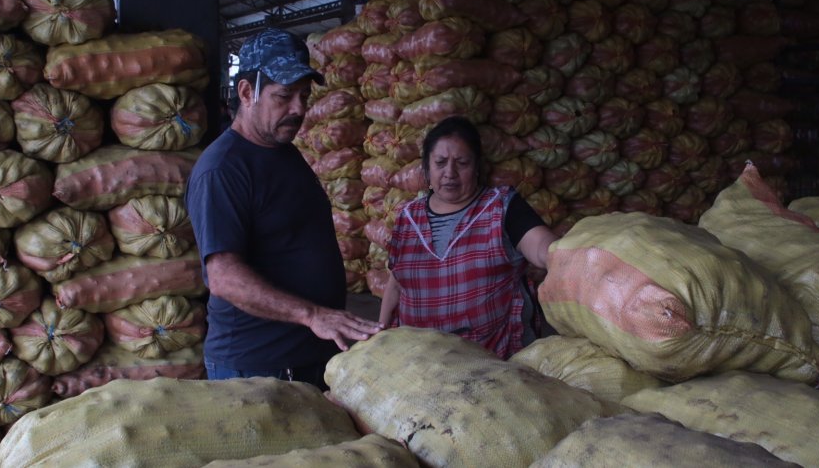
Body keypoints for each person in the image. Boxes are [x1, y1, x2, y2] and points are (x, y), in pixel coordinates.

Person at [186, 28, 382, 389]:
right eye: (284, 95)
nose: (299, 109)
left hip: (306, 357)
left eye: (304, 96)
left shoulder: (283, 152)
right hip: (258, 367)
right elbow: (224, 277)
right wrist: (312, 315)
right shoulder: (223, 169)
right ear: (247, 92)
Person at [378, 116, 558, 359]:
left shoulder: (501, 206)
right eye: (440, 163)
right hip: (420, 361)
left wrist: (563, 257)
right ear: (427, 169)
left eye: (461, 163)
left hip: (491, 361)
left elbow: (541, 247)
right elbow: (397, 281)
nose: (449, 173)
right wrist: (380, 334)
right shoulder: (408, 216)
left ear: (477, 168)